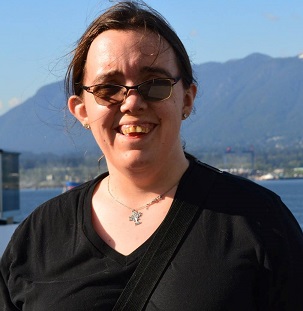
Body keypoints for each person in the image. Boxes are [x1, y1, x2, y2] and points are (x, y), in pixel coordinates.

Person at [1, 1, 303, 310]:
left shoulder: (258, 222)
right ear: (82, 110)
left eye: (156, 85)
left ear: (187, 99)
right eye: (108, 88)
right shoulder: (38, 237)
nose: (132, 102)